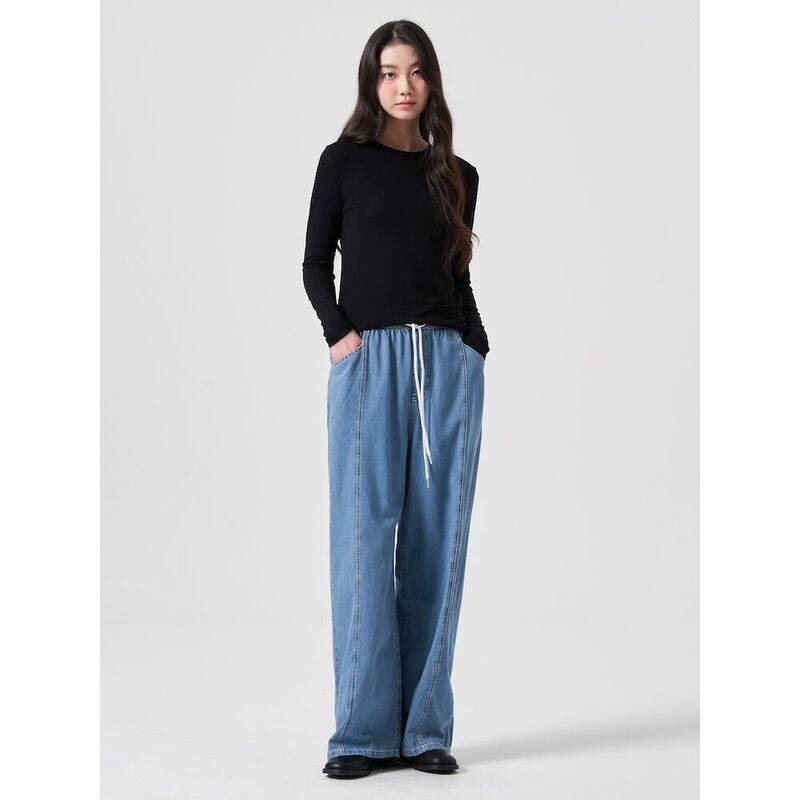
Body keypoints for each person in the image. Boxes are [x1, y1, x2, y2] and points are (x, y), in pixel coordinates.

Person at [302, 19, 490, 780]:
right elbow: (314, 263)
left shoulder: (458, 175)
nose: (402, 85)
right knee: (362, 538)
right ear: (370, 82)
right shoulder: (342, 162)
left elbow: (458, 275)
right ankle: (360, 733)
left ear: (431, 80)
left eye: (414, 71)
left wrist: (474, 348)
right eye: (388, 72)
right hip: (369, 361)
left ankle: (425, 730)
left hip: (446, 363)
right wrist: (341, 337)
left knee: (438, 544)